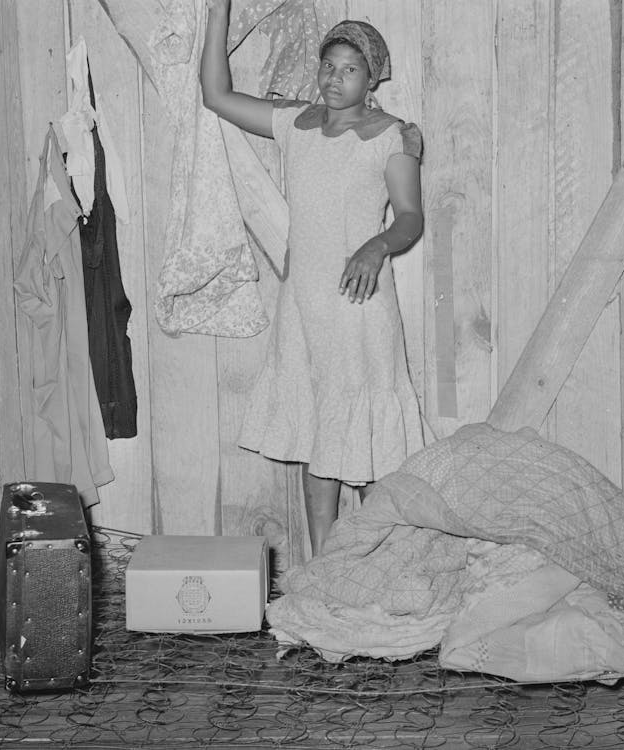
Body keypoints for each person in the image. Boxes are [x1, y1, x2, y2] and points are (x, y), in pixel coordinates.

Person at [201, 0, 425, 556]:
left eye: (350, 69)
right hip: (303, 308)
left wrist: (377, 246)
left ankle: (375, 562)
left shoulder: (390, 136)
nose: (335, 78)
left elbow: (411, 217)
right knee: (318, 436)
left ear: (372, 78)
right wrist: (216, 14)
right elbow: (217, 96)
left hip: (358, 308)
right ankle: (323, 568)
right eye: (329, 66)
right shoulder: (295, 124)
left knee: (368, 443)